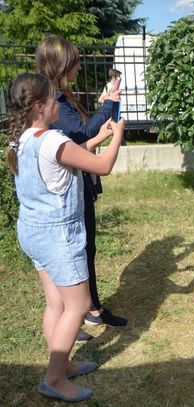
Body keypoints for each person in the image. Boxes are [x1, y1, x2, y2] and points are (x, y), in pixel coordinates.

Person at [6, 73, 125, 402]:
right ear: (40, 106)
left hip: (32, 231)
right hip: (59, 236)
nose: (58, 102)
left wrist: (99, 136)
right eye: (53, 98)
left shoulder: (21, 139)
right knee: (79, 304)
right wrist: (118, 135)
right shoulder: (53, 140)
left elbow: (69, 157)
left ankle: (63, 364)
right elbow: (102, 166)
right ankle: (55, 379)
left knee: (56, 303)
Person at [36, 36, 127, 344]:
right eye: (74, 63)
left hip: (75, 186)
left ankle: (91, 309)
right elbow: (81, 137)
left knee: (87, 249)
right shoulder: (54, 102)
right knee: (77, 256)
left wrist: (99, 133)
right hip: (66, 196)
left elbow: (78, 142)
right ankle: (78, 316)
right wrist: (111, 111)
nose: (78, 69)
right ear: (61, 65)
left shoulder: (59, 98)